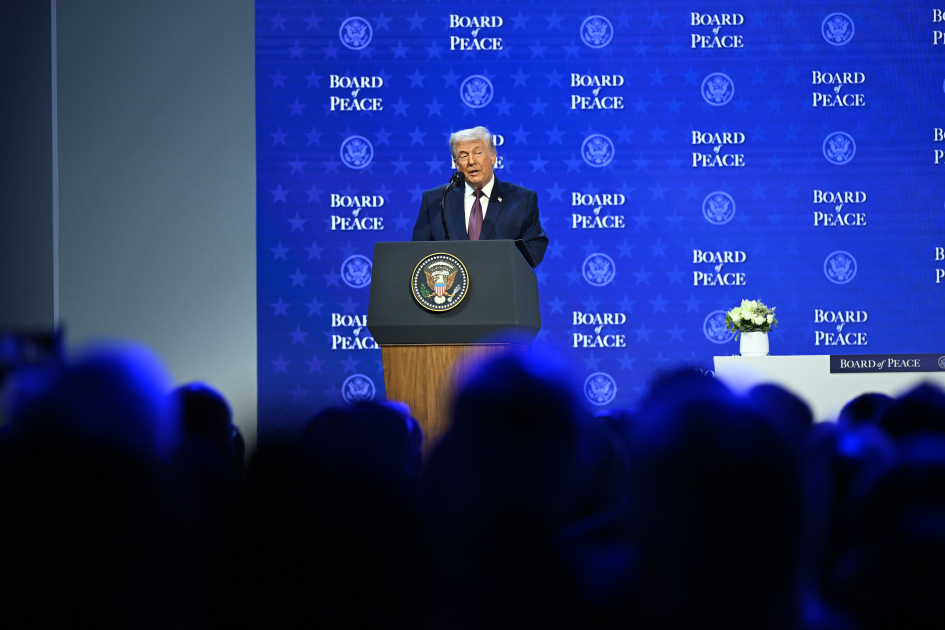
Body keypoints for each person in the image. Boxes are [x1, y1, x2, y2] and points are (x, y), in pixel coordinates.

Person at [411, 126, 549, 267]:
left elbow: (535, 245)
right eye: (464, 156)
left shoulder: (522, 200)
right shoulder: (436, 199)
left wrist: (506, 269)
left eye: (478, 153)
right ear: (456, 164)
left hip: (501, 285)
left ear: (493, 157)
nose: (471, 161)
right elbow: (418, 252)